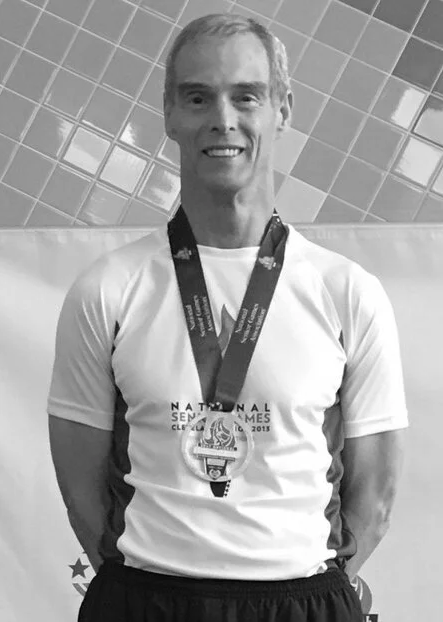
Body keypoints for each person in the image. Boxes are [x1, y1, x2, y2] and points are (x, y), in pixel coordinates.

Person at [47, 13, 408, 622]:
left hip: (302, 601)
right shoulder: (107, 289)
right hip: (145, 600)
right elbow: (80, 489)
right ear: (169, 113)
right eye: (198, 97)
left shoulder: (347, 292)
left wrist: (302, 595)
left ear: (282, 109)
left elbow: (374, 500)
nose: (223, 118)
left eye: (247, 96)